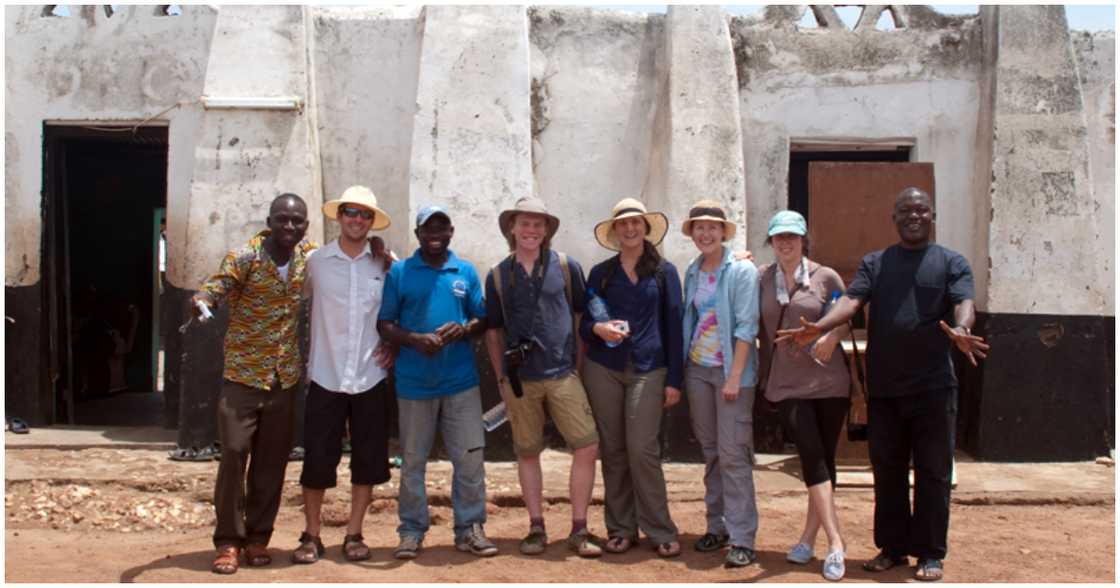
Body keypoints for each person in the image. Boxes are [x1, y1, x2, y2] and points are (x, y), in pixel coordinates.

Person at [777, 187, 989, 582]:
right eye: (906, 210)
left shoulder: (951, 262)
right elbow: (852, 302)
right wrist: (822, 325)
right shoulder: (877, 263)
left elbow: (964, 302)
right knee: (887, 470)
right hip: (886, 389)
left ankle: (929, 553)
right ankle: (891, 548)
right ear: (894, 218)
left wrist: (962, 328)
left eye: (921, 210)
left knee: (933, 471)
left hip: (934, 387)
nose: (914, 216)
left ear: (932, 215)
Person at [192, 193, 317, 575]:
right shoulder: (244, 257)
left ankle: (259, 537)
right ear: (269, 220)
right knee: (232, 454)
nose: (290, 227)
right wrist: (202, 299)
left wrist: (380, 249)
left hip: (285, 378)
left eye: (297, 222)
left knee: (272, 462)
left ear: (306, 226)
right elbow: (217, 285)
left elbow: (344, 256)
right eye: (282, 220)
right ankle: (228, 541)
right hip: (244, 376)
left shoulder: (309, 257)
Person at [483, 197, 603, 558]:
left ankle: (579, 528)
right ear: (512, 228)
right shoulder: (498, 275)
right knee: (528, 452)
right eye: (525, 224)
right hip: (520, 379)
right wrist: (502, 379)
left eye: (538, 224)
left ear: (547, 229)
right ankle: (536, 526)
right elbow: (493, 333)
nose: (531, 231)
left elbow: (582, 315)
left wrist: (576, 366)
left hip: (563, 373)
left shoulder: (566, 266)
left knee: (587, 445)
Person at [377, 205, 495, 559]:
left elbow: (482, 317)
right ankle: (411, 531)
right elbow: (384, 324)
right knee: (413, 461)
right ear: (417, 235)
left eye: (441, 228)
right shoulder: (400, 272)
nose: (435, 234)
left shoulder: (466, 271)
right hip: (414, 384)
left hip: (460, 382)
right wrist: (414, 339)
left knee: (470, 458)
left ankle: (470, 528)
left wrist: (465, 329)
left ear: (451, 232)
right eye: (428, 229)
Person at [291, 186, 395, 564]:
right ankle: (311, 535)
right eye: (350, 211)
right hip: (325, 375)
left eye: (365, 214)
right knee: (317, 460)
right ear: (339, 216)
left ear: (371, 221)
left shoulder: (386, 265)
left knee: (367, 460)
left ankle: (354, 533)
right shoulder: (315, 262)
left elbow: (397, 313)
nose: (357, 219)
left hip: (370, 375)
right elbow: (289, 298)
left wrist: (395, 346)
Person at [579, 197, 684, 558]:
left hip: (650, 368)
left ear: (646, 227)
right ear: (614, 231)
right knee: (613, 450)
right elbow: (585, 323)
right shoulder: (601, 273)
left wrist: (675, 380)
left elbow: (675, 325)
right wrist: (598, 328)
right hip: (603, 369)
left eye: (636, 222)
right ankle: (621, 528)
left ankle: (660, 528)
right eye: (623, 223)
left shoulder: (664, 272)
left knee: (642, 449)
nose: (630, 228)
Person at [756, 210, 850, 581]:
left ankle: (808, 538)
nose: (785, 243)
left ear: (803, 239)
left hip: (829, 382)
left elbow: (846, 313)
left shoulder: (825, 277)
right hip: (786, 383)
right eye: (778, 237)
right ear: (771, 241)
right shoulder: (761, 278)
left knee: (823, 461)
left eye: (792, 236)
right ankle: (836, 543)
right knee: (811, 455)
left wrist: (830, 336)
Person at [679, 200, 761, 568]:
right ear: (692, 233)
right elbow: (692, 319)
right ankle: (718, 526)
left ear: (723, 232)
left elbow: (747, 327)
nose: (705, 233)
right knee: (711, 452)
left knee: (733, 454)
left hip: (732, 374)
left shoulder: (741, 271)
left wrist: (734, 377)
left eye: (712, 227)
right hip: (698, 370)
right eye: (699, 227)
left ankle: (743, 537)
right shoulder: (693, 271)